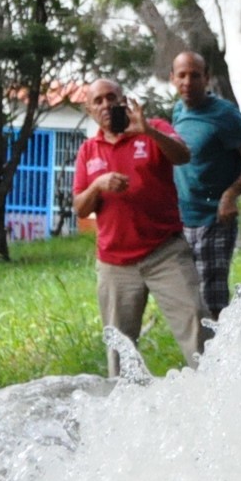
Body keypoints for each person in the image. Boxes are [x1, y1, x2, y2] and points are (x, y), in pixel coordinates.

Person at [73, 77, 208, 369]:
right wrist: (98, 185)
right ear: (89, 110)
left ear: (123, 99)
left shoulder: (155, 128)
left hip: (165, 254)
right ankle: (122, 409)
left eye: (111, 97)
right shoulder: (88, 151)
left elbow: (183, 155)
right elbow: (81, 209)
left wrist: (147, 131)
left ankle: (215, 394)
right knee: (118, 350)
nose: (106, 105)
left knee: (197, 322)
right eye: (98, 101)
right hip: (115, 264)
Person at [168, 51, 241, 319]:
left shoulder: (225, 115)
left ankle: (217, 355)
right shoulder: (178, 110)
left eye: (195, 75)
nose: (188, 82)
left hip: (214, 220)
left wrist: (231, 195)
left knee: (212, 301)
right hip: (180, 220)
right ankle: (196, 356)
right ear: (173, 79)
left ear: (207, 78)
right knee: (187, 298)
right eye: (182, 75)